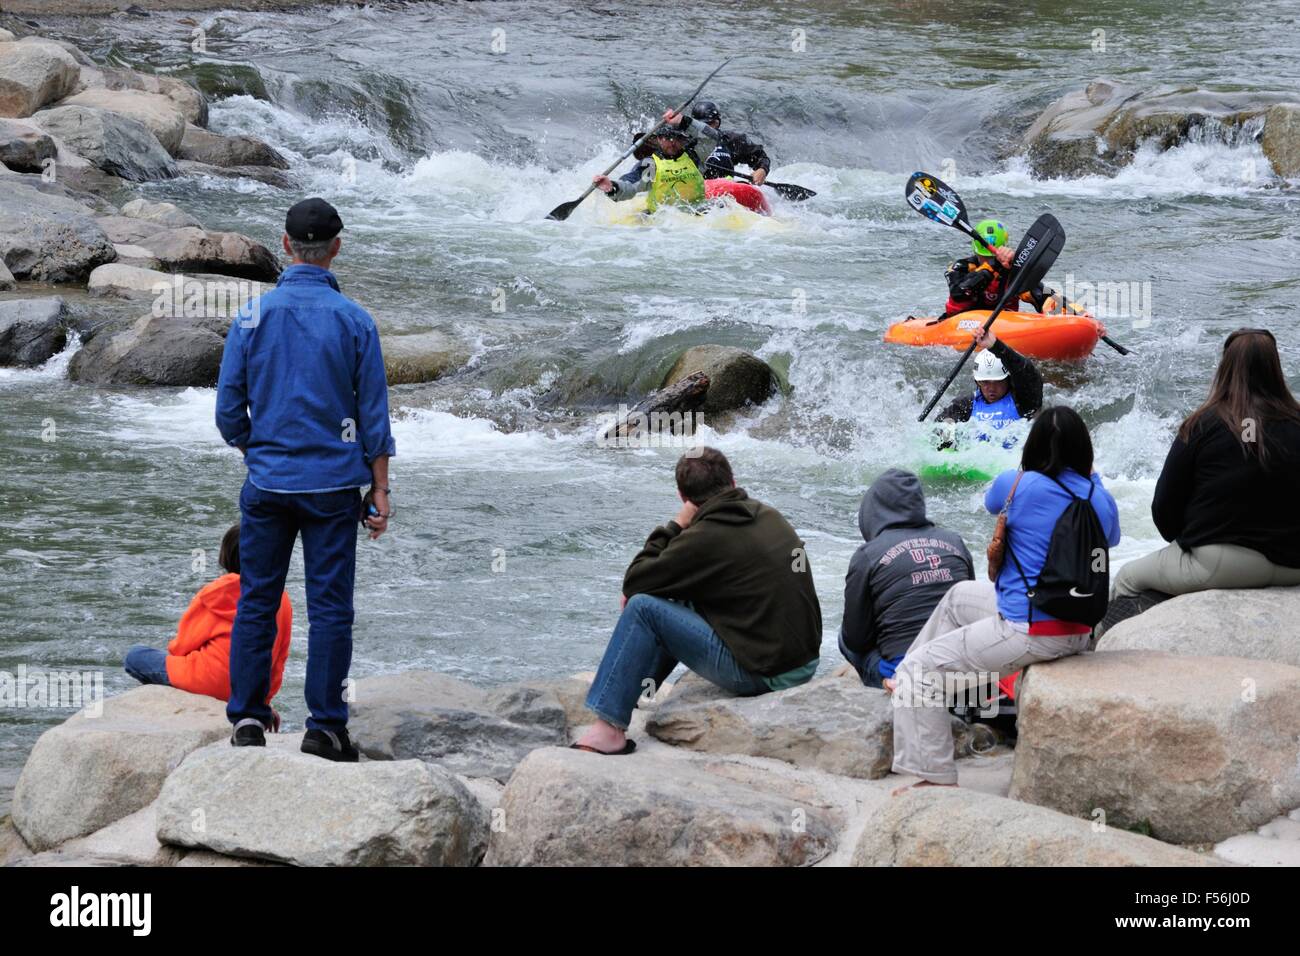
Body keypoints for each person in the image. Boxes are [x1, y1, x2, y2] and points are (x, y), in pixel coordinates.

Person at [216, 197, 394, 761]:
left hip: (268, 486)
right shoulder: (356, 321)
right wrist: (380, 491)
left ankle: (246, 717)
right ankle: (325, 728)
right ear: (336, 248)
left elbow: (227, 414)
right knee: (330, 608)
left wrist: (259, 448)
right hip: (333, 490)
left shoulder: (250, 317)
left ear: (287, 246)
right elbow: (374, 420)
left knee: (256, 600)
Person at [887, 406, 1120, 790]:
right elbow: (1110, 537)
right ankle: (908, 691)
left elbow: (992, 504)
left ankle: (934, 778)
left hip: (1029, 629)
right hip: (1078, 628)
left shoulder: (1017, 483)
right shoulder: (1099, 496)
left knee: (920, 671)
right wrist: (1090, 479)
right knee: (959, 596)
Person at [573, 447, 822, 755]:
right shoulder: (767, 515)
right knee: (668, 593)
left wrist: (676, 525)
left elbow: (635, 582)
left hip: (764, 674)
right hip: (801, 662)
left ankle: (609, 728)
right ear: (732, 481)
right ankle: (632, 688)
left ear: (683, 497)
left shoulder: (705, 536)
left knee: (643, 608)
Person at [1098, 328, 1300, 636]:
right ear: (1275, 368)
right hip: (1294, 565)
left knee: (1127, 577)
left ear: (1225, 368)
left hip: (1222, 564)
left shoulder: (1202, 425)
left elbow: (1164, 505)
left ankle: (1098, 656)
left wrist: (1185, 544)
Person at [123, 525, 292, 720]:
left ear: (226, 555)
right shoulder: (282, 598)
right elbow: (279, 658)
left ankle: (165, 711)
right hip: (248, 691)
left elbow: (181, 646)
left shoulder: (214, 592)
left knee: (135, 655)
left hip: (204, 681)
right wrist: (263, 702)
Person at [839, 469, 974, 688]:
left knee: (843, 640)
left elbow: (855, 638)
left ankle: (889, 682)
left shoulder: (867, 555)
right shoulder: (955, 541)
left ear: (873, 510)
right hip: (961, 664)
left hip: (909, 669)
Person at [593, 109, 719, 212]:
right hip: (663, 218)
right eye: (667, 138)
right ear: (658, 139)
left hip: (697, 211)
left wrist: (684, 121)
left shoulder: (695, 155)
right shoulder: (651, 165)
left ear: (683, 138)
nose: (672, 142)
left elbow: (713, 137)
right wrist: (611, 187)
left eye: (677, 137)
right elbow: (630, 187)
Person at [935, 327, 1042, 444]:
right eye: (985, 382)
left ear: (1008, 379)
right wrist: (946, 428)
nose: (991, 388)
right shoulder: (967, 404)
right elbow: (937, 425)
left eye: (998, 382)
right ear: (977, 382)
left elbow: (1028, 374)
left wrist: (995, 346)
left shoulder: (1024, 401)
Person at [942, 219, 1052, 318]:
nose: (987, 259)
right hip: (961, 320)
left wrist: (1058, 307)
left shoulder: (1014, 271)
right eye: (984, 257)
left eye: (991, 257)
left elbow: (1042, 295)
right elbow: (958, 294)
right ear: (975, 252)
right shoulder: (961, 267)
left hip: (1003, 324)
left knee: (1045, 297)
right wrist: (993, 266)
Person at [687, 100, 771, 183]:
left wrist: (762, 170)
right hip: (696, 185)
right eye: (703, 125)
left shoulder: (731, 140)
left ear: (718, 123)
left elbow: (761, 156)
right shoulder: (685, 141)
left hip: (726, 188)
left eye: (712, 123)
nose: (707, 129)